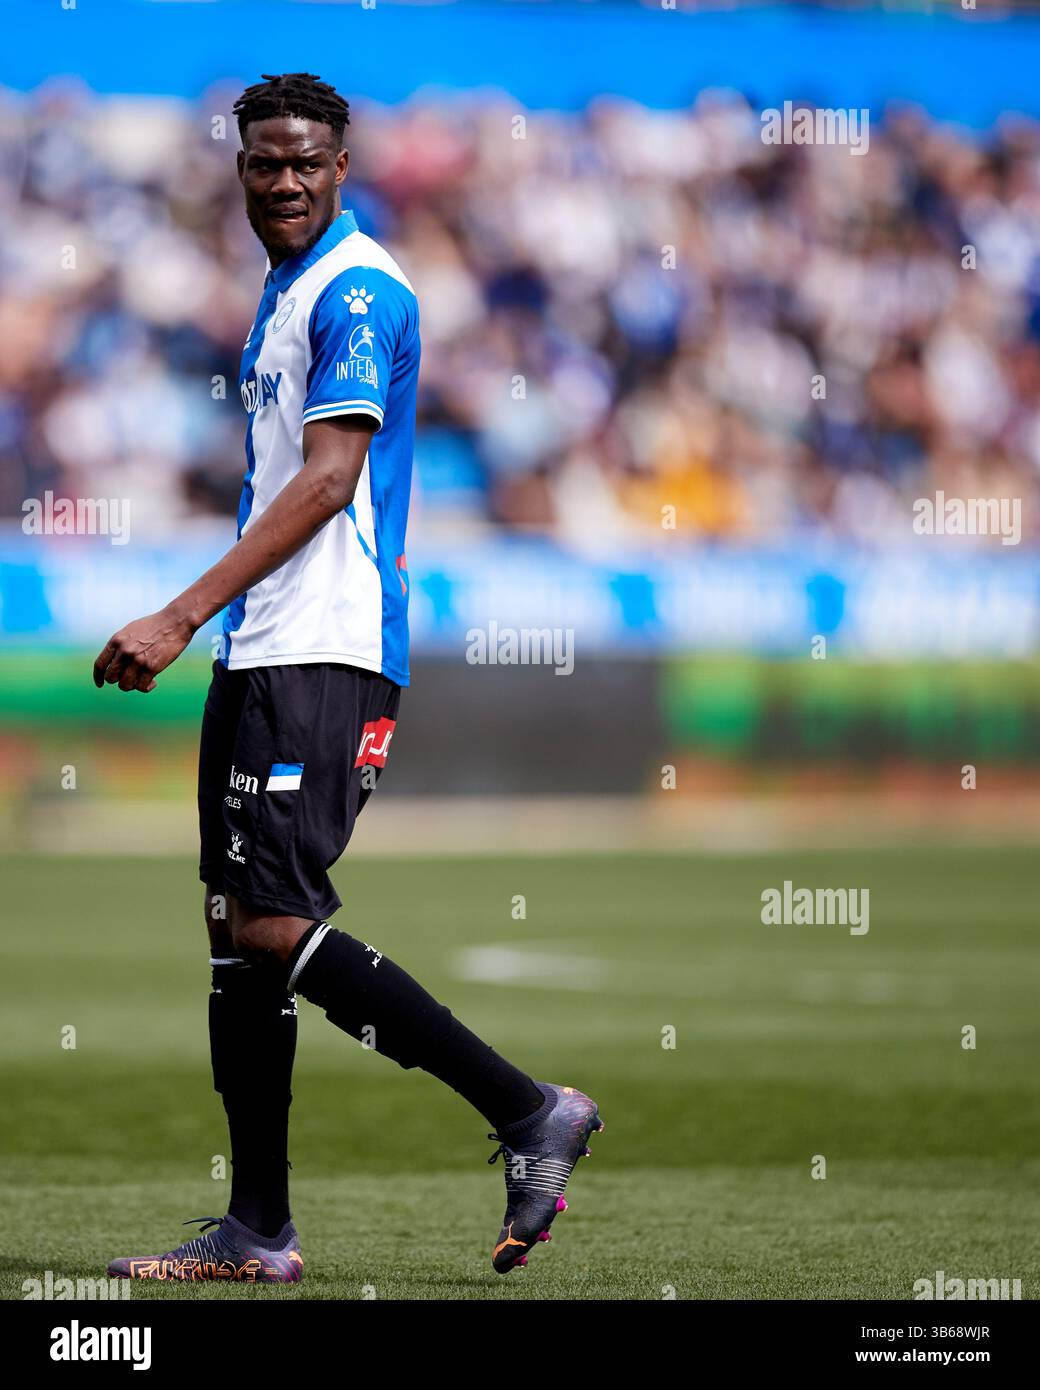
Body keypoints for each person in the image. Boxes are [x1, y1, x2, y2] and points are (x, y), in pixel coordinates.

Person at [92, 72, 602, 1282]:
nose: (282, 181)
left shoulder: (357, 289)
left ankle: (529, 1109)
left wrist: (177, 611)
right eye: (263, 162)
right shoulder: (286, 290)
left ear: (340, 166)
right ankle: (257, 1228)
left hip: (321, 645)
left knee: (274, 918)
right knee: (232, 931)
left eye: (304, 163)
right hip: (262, 644)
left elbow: (327, 483)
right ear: (238, 166)